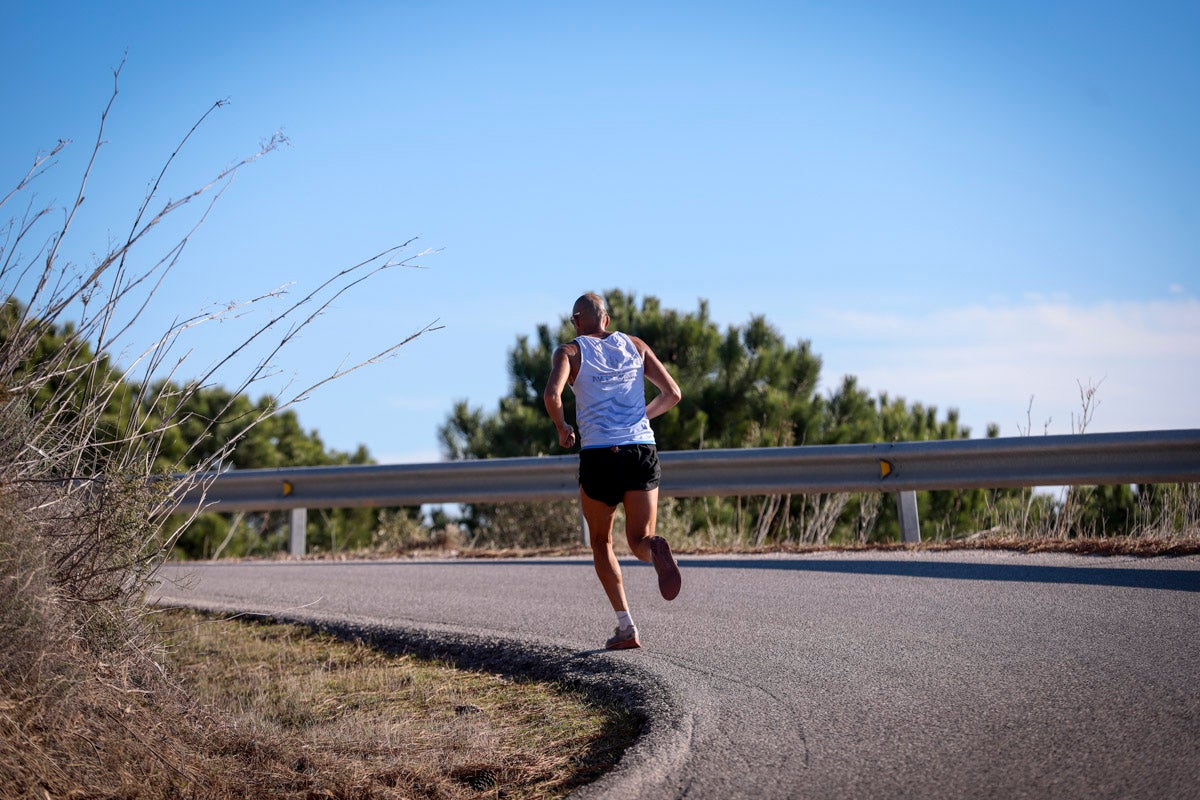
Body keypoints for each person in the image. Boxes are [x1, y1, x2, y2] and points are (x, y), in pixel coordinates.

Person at [543, 292, 684, 650]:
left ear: (577, 322)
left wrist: (563, 428)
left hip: (600, 455)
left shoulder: (569, 352)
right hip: (640, 449)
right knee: (639, 538)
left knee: (602, 541)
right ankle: (656, 551)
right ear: (606, 319)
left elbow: (552, 396)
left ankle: (626, 626)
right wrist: (639, 418)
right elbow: (672, 394)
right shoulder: (635, 344)